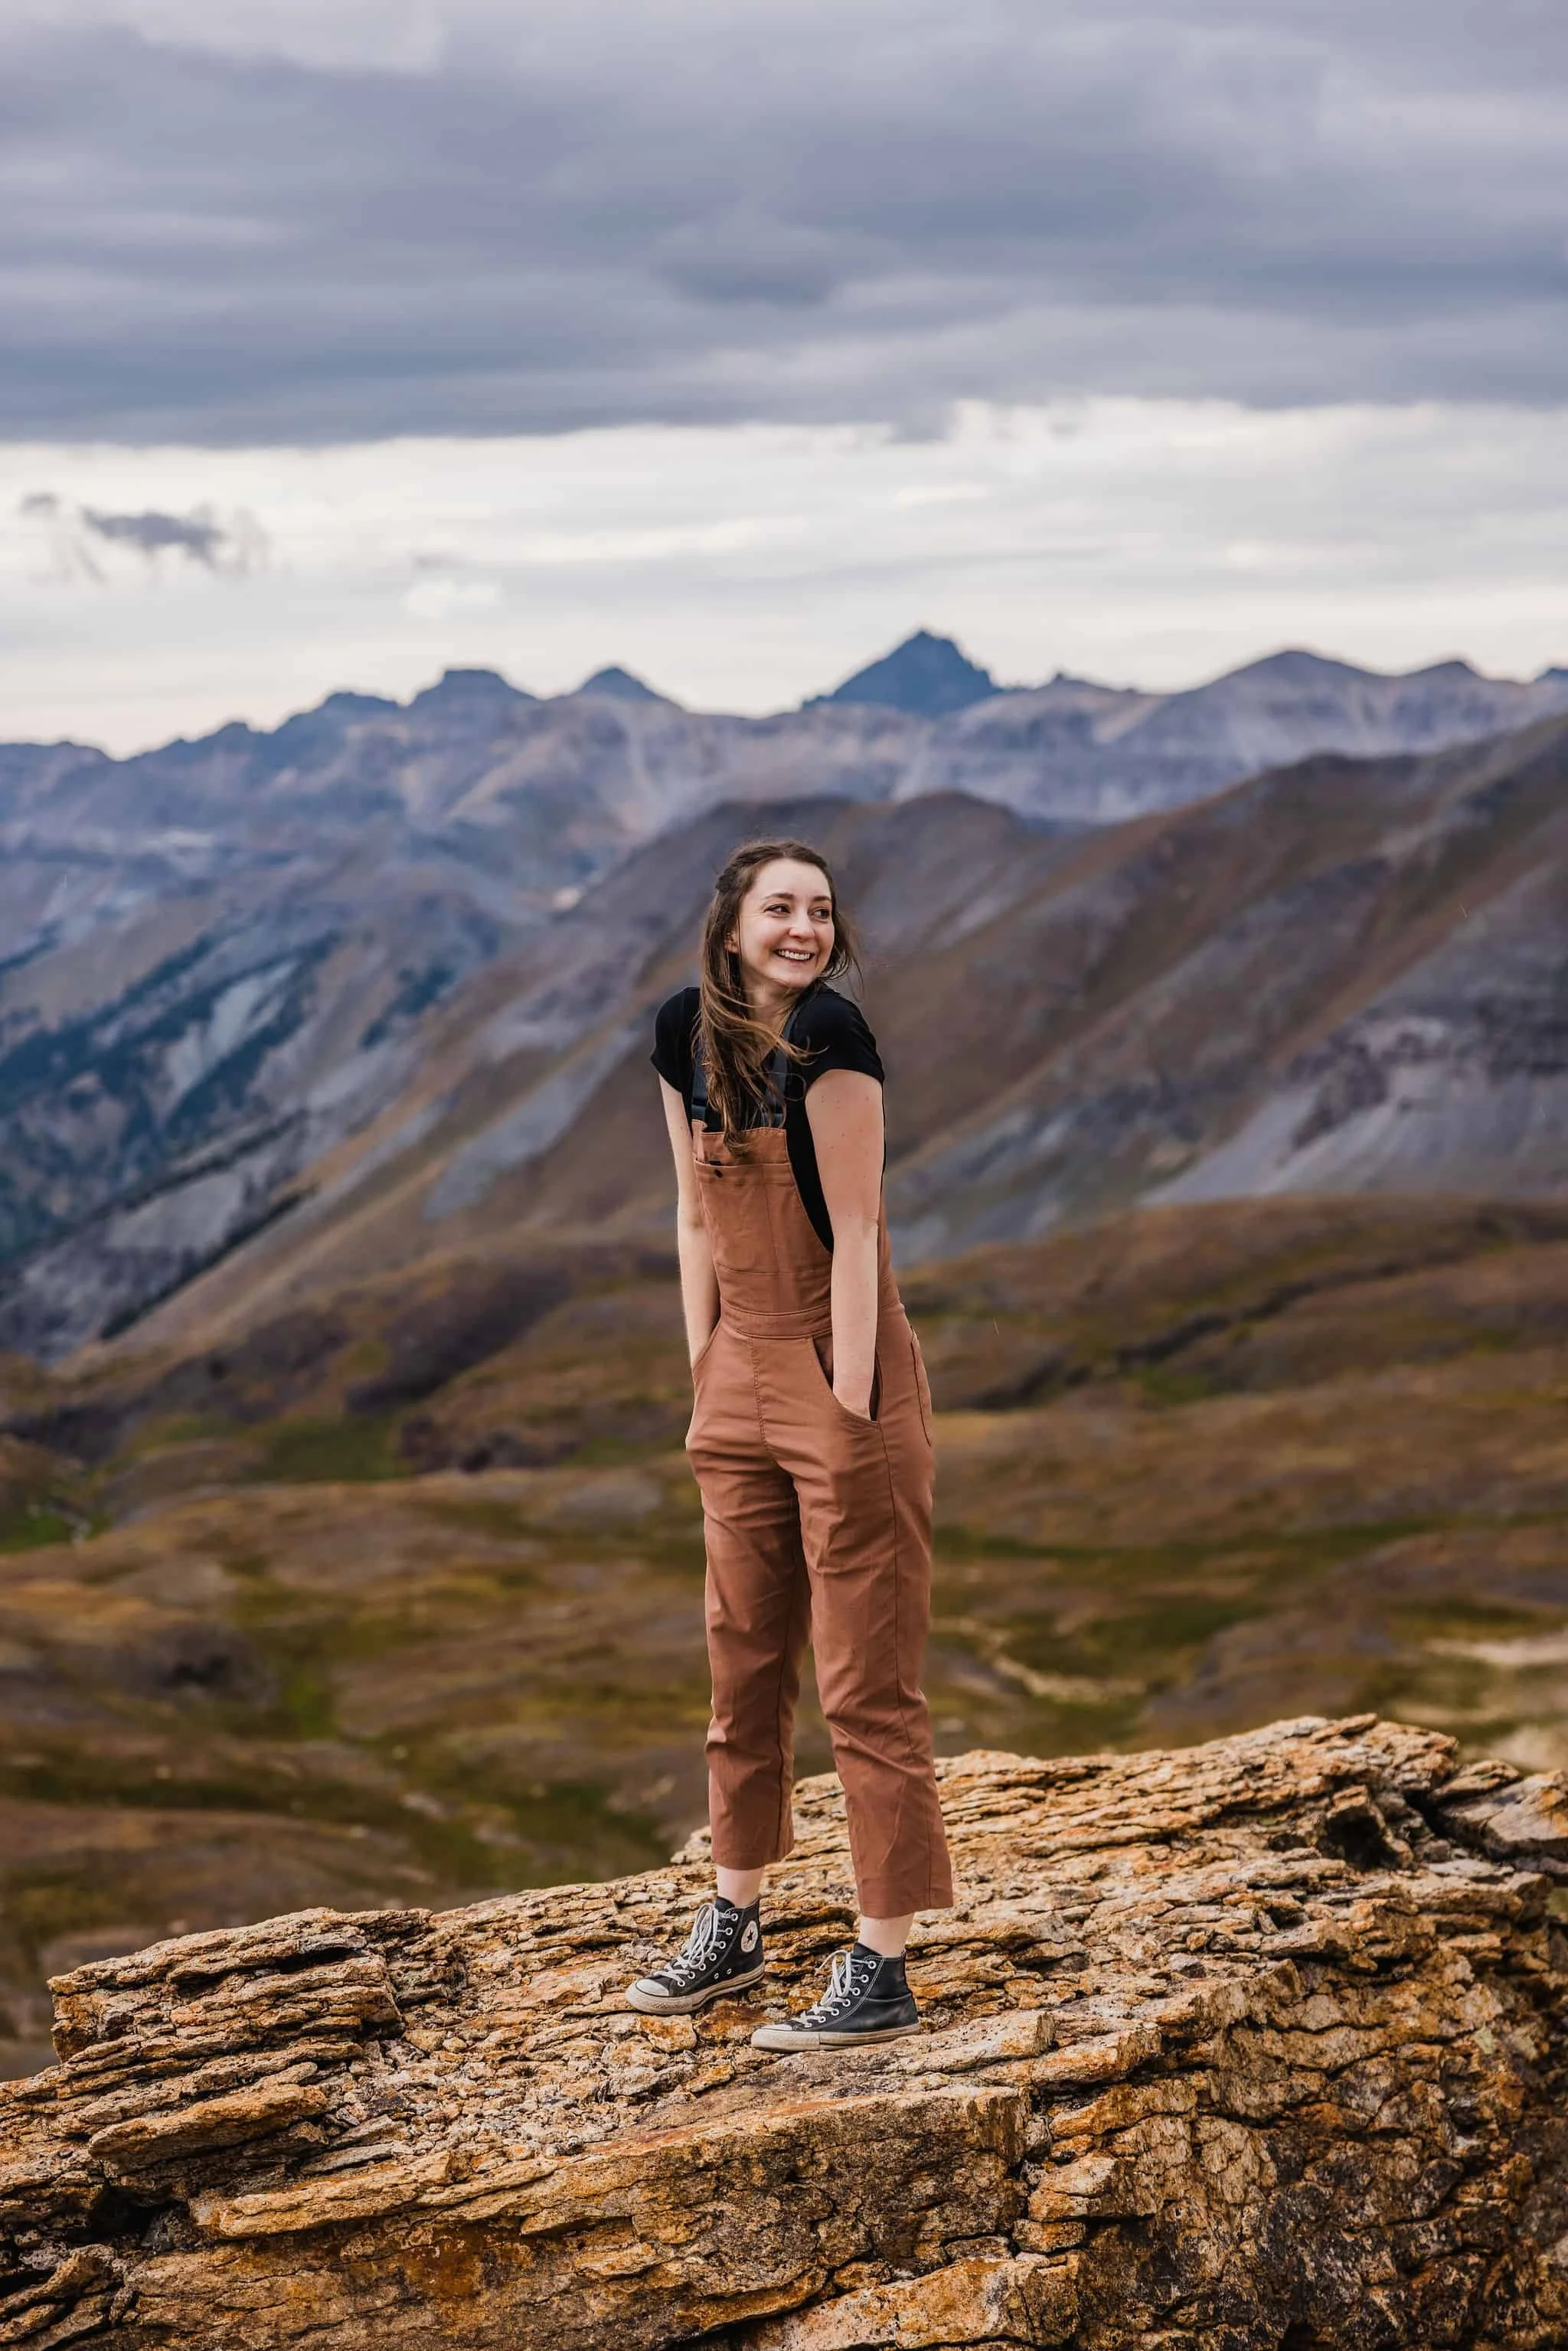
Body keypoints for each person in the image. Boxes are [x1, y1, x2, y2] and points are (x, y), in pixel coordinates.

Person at [624, 838, 952, 2051]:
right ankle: (736, 1919)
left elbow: (861, 1227)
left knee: (867, 1683)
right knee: (742, 1659)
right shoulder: (682, 1034)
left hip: (837, 1365)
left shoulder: (835, 1039)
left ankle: (882, 1963)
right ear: (731, 926)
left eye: (818, 909)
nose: (804, 927)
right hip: (740, 1368)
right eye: (780, 907)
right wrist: (706, 1362)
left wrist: (850, 1402)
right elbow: (693, 1207)